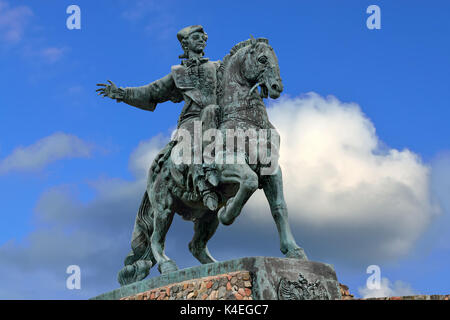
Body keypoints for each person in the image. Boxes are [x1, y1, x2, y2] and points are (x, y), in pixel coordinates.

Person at [96, 25, 221, 211]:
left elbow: (237, 81)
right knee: (191, 139)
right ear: (185, 44)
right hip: (191, 119)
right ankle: (202, 184)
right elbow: (153, 91)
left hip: (217, 115)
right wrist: (122, 93)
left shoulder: (218, 67)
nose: (202, 40)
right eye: (197, 37)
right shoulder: (178, 73)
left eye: (204, 37)